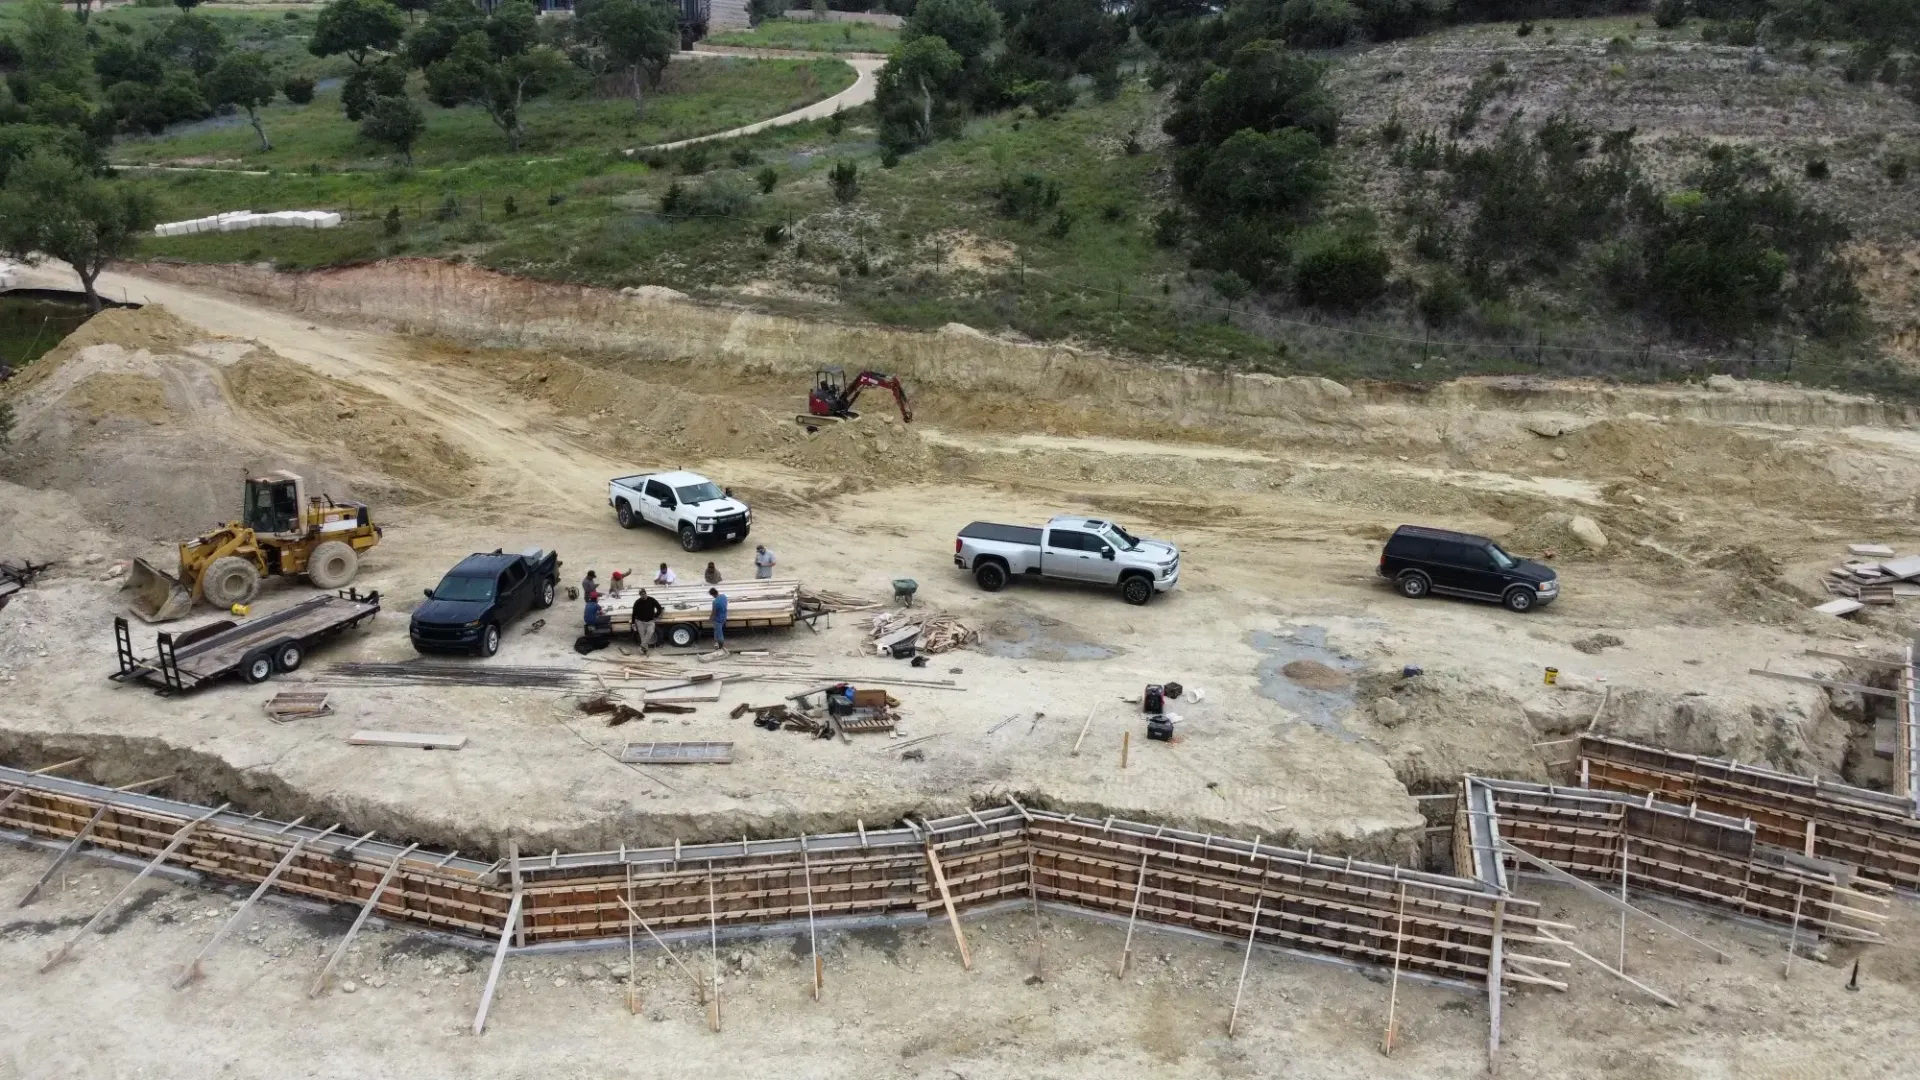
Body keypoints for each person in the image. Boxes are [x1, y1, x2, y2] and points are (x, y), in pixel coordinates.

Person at [631, 588, 662, 653]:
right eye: (641, 594)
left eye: (644, 594)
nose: (643, 595)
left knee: (650, 632)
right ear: (640, 595)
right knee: (642, 636)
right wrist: (633, 623)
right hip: (640, 622)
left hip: (650, 621)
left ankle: (642, 646)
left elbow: (659, 608)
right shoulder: (637, 602)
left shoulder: (652, 600)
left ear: (646, 593)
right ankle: (645, 650)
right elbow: (634, 613)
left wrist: (655, 616)